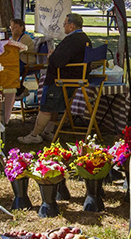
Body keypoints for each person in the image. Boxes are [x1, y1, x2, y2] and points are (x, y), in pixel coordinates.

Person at [17, 13, 91, 144]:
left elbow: (57, 61)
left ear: (72, 26)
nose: (63, 26)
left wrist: (51, 56)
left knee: (47, 107)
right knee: (54, 106)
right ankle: (47, 131)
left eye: (65, 24)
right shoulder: (84, 38)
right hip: (73, 77)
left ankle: (35, 135)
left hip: (61, 78)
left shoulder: (73, 40)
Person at [9, 18, 35, 100]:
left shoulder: (25, 38)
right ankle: (18, 89)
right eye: (11, 27)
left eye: (15, 27)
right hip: (17, 60)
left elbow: (16, 51)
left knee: (10, 71)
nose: (13, 29)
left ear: (22, 27)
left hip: (25, 60)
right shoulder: (13, 38)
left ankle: (20, 90)